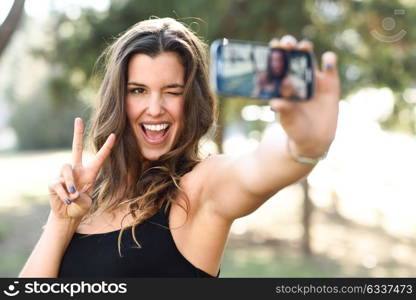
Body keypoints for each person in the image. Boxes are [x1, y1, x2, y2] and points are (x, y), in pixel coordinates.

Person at [18, 17, 340, 278]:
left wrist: (304, 142)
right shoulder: (90, 198)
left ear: (191, 100)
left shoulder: (198, 188)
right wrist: (61, 222)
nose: (155, 108)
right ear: (118, 97)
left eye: (172, 91)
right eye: (138, 90)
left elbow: (257, 169)